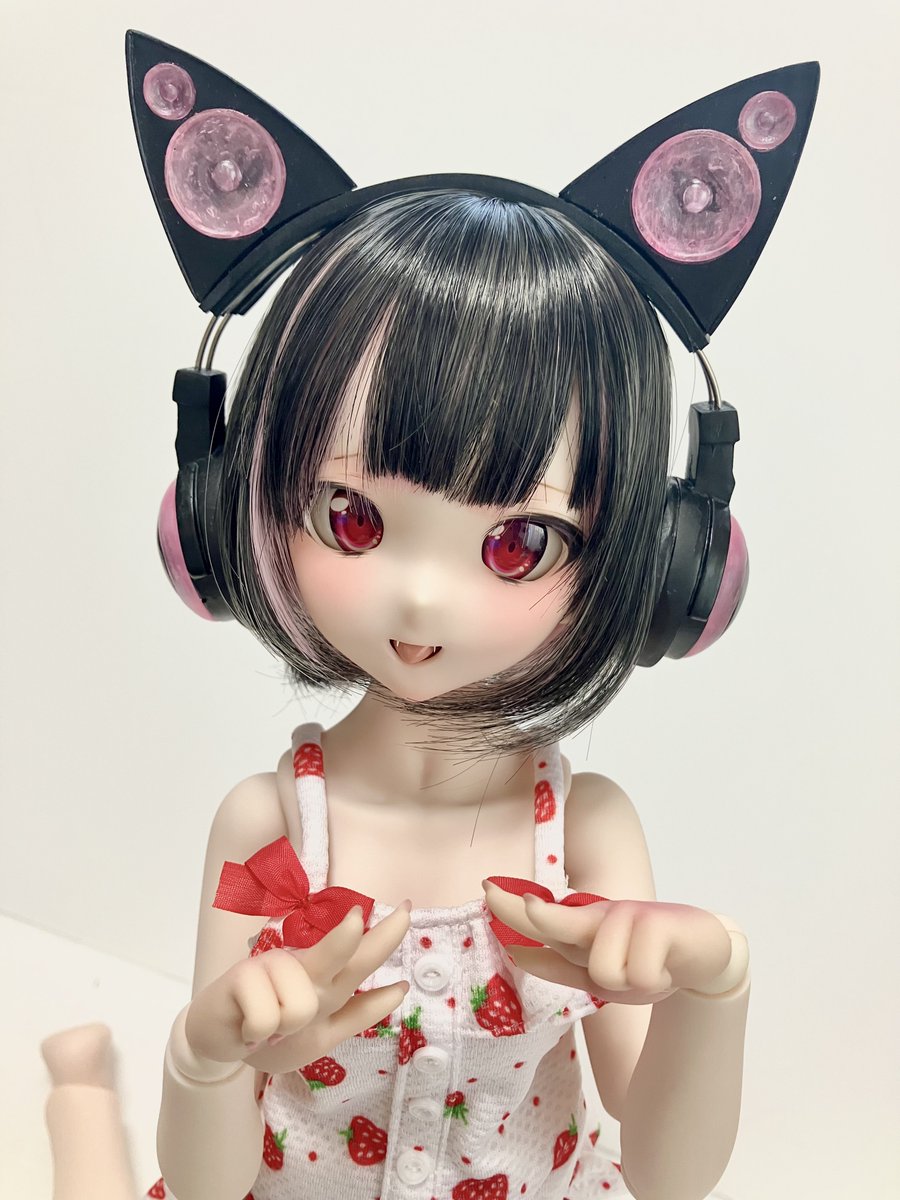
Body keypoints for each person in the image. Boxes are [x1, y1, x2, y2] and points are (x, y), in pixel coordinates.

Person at [121, 37, 818, 1200]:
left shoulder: (586, 832)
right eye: (350, 516)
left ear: (666, 566)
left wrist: (717, 989)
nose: (422, 596)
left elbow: (666, 1176)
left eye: (518, 544)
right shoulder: (267, 825)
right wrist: (204, 1060)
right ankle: (79, 1100)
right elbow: (207, 1184)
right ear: (228, 510)